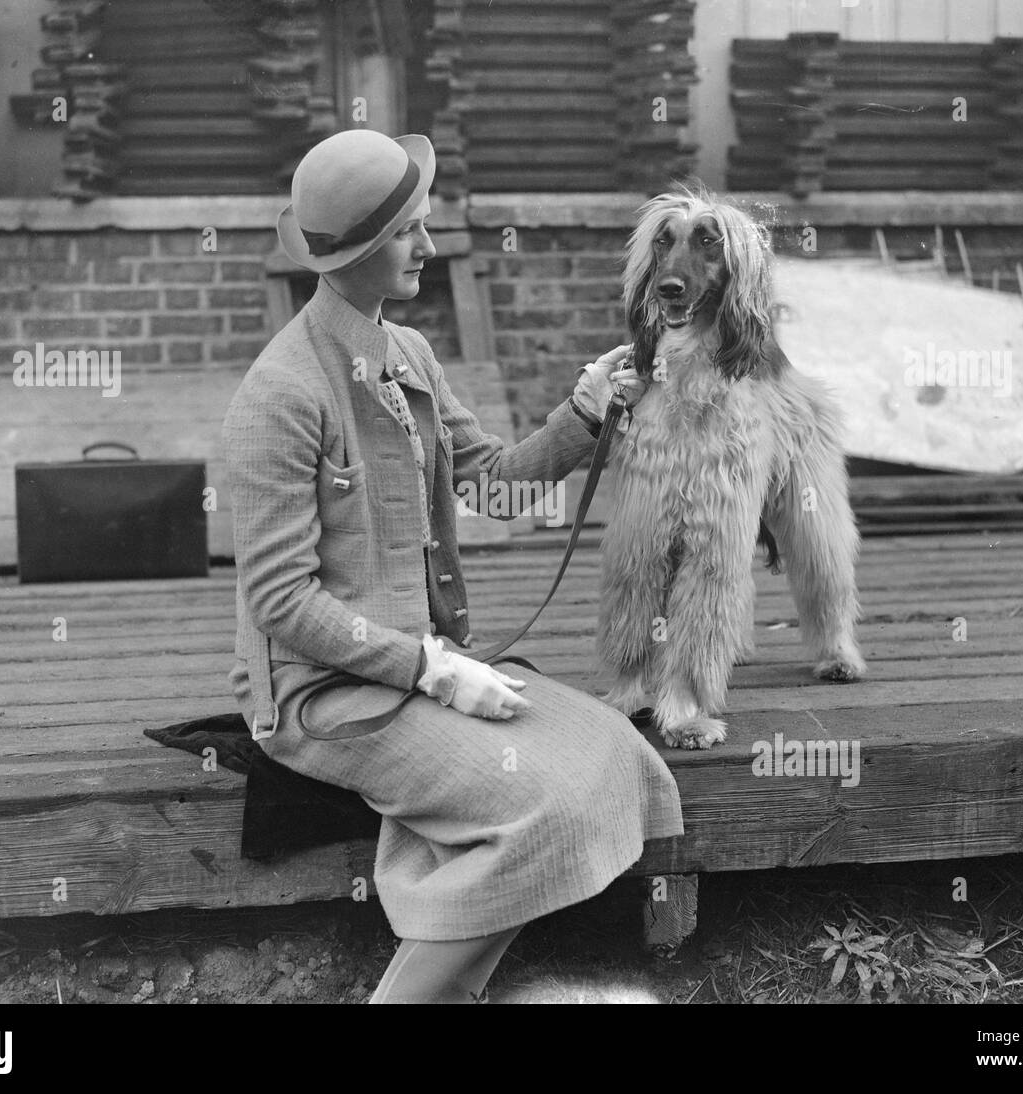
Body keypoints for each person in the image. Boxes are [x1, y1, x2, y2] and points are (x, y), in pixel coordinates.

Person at [223, 128, 684, 1003]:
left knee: (614, 753)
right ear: (356, 251)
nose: (428, 248)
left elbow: (496, 487)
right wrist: (429, 668)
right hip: (327, 695)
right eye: (409, 233)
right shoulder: (282, 394)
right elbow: (281, 600)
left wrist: (582, 416)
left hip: (427, 667)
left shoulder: (410, 357)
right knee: (543, 802)